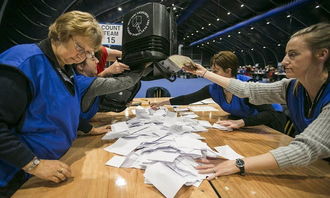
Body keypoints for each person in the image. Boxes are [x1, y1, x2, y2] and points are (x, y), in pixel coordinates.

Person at [0, 10, 143, 196]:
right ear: (61, 34)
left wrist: (88, 129)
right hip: (16, 175)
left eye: (89, 52)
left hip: (52, 167)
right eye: (80, 48)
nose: (82, 56)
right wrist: (34, 165)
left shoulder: (65, 68)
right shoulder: (25, 62)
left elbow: (62, 109)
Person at [182, 23, 330, 180]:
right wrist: (204, 73)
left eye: (292, 54)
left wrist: (238, 163)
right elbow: (247, 90)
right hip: (317, 166)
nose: (284, 61)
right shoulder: (291, 87)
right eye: (286, 54)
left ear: (321, 54)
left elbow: (305, 148)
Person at [151, 51, 287, 132]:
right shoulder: (214, 88)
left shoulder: (246, 86)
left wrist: (241, 122)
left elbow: (270, 114)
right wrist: (163, 102)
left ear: (228, 71)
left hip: (269, 125)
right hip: (245, 123)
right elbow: (188, 99)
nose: (212, 74)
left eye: (215, 71)